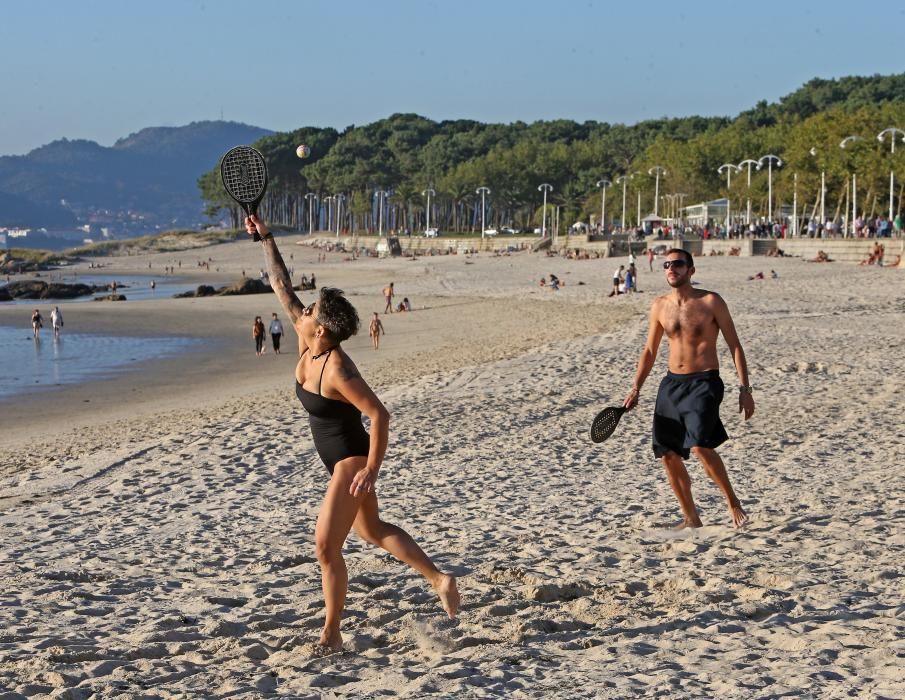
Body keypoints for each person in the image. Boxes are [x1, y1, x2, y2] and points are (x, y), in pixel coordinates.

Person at [245, 214, 459, 649]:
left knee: (326, 547)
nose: (300, 312)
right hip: (343, 461)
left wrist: (372, 470)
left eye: (308, 313)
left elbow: (379, 415)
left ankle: (332, 632)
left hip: (350, 462)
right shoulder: (310, 343)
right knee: (373, 529)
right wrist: (266, 237)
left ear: (320, 329)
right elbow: (282, 285)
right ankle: (440, 579)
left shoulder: (338, 368)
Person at [623, 248, 753, 529]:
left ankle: (732, 502)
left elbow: (735, 345)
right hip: (671, 384)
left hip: (704, 381)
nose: (672, 268)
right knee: (668, 454)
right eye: (667, 264)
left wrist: (745, 388)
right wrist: (636, 387)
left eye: (678, 264)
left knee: (699, 445)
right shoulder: (660, 305)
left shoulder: (711, 302)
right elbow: (649, 350)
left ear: (691, 270)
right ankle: (691, 516)